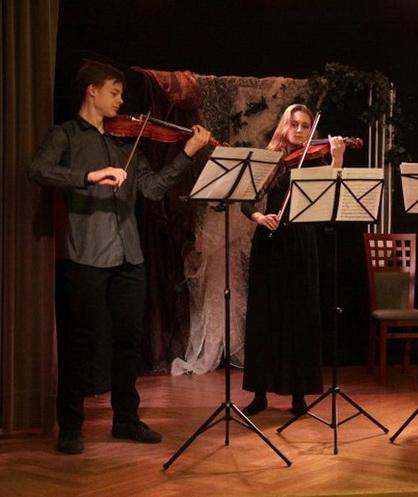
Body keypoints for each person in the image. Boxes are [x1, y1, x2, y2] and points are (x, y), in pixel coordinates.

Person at [28, 61, 212, 455]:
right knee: (81, 342)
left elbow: (153, 189)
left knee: (129, 342)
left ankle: (126, 420)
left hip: (130, 256)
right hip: (87, 255)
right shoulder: (66, 135)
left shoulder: (126, 143)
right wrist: (89, 176)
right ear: (91, 91)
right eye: (114, 92)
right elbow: (39, 170)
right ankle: (71, 427)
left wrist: (187, 152)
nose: (121, 101)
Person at [240, 104, 346, 416]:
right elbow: (246, 201)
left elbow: (333, 193)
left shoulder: (316, 159)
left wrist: (337, 157)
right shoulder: (270, 158)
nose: (299, 131)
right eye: (294, 124)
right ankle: (259, 394)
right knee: (265, 319)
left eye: (305, 126)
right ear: (284, 126)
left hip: (302, 243)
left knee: (301, 319)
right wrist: (260, 217)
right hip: (270, 242)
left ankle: (299, 396)